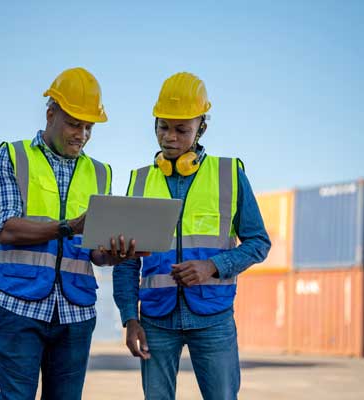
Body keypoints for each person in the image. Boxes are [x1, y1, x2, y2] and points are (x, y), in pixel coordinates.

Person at [113, 72, 271, 400]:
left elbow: (258, 243)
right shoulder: (139, 183)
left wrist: (212, 266)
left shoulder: (229, 175)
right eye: (162, 127)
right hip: (155, 319)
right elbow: (127, 262)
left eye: (181, 129)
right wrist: (129, 316)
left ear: (202, 127)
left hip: (213, 318)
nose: (170, 137)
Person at [0, 67, 140, 400]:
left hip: (76, 311)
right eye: (74, 123)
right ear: (50, 113)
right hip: (20, 304)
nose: (81, 135)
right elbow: (6, 228)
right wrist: (69, 226)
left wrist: (115, 253)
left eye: (89, 127)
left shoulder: (100, 173)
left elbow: (95, 252)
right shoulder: (13, 156)